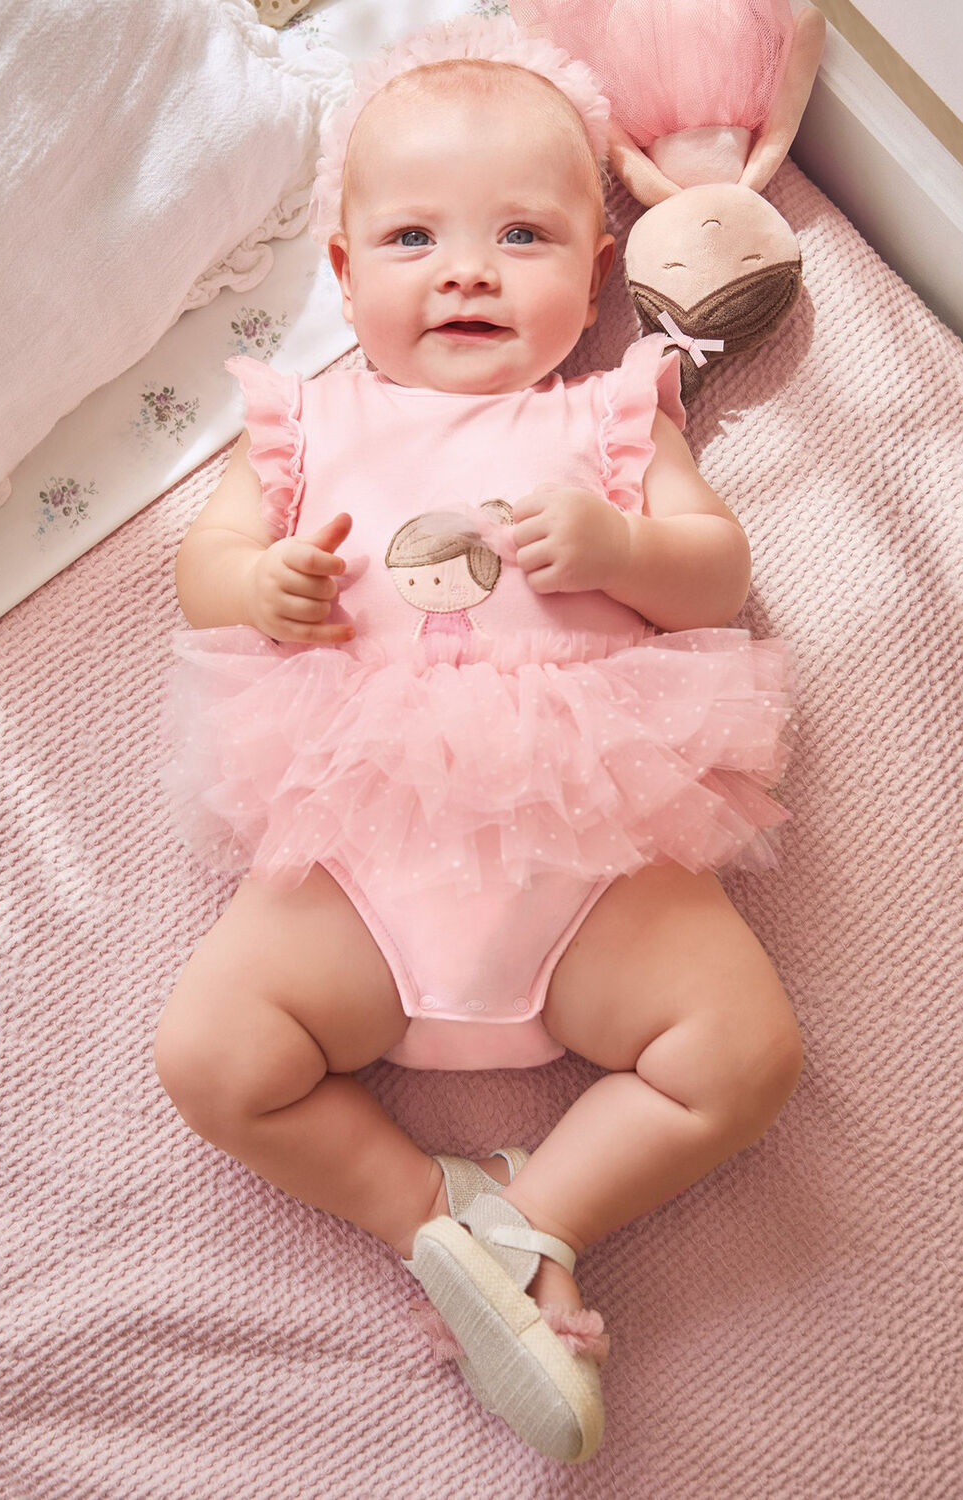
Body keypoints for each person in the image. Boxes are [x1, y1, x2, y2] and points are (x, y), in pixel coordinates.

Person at [153, 15, 803, 1464]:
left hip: (590, 848)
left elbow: (716, 573)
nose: (465, 269)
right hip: (363, 853)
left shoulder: (616, 418)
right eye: (411, 238)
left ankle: (538, 1218)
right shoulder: (303, 421)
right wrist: (261, 584)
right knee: (211, 1059)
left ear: (595, 273)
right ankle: (434, 1220)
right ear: (341, 271)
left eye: (522, 233)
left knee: (747, 1054)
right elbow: (207, 563)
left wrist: (621, 541)